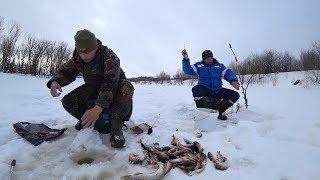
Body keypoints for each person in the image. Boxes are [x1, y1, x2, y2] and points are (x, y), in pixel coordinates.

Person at [47, 29, 134, 148]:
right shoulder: (78, 57)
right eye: (81, 52)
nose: (83, 56)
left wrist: (98, 108)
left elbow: (110, 83)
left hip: (114, 89)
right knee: (69, 101)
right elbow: (66, 71)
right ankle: (87, 121)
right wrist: (55, 82)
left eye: (87, 52)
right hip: (93, 86)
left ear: (96, 47)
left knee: (126, 87)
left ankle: (116, 127)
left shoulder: (109, 57)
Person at [181, 49, 240, 120]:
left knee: (235, 95)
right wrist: (186, 59)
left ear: (212, 57)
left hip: (218, 90)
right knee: (196, 89)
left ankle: (220, 111)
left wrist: (233, 80)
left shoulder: (219, 66)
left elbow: (228, 73)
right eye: (207, 59)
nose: (209, 60)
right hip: (205, 90)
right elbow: (187, 70)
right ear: (203, 59)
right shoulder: (199, 65)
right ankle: (202, 113)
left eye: (210, 58)